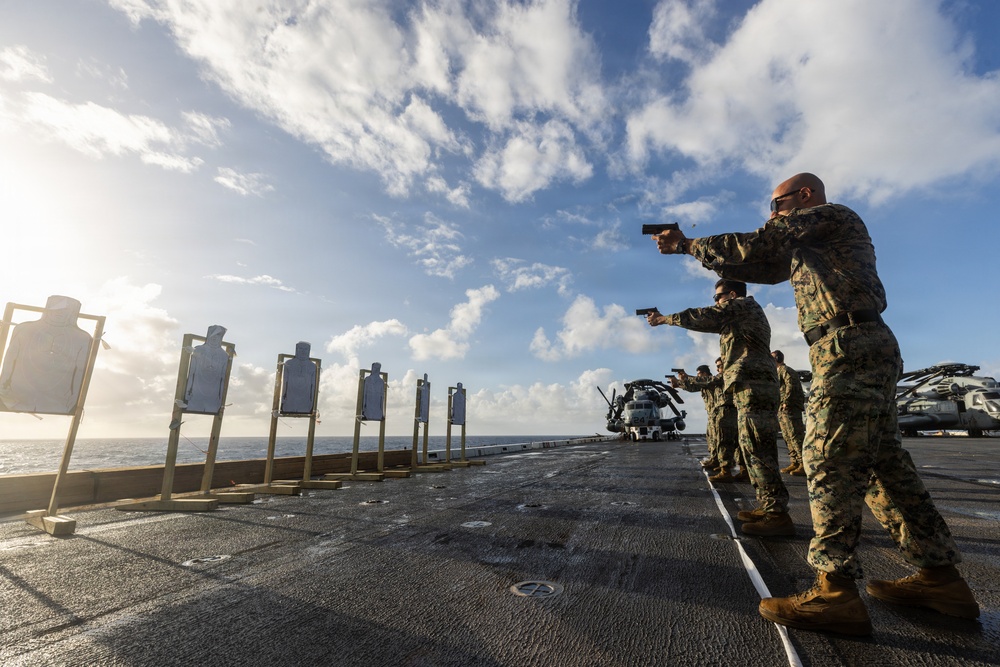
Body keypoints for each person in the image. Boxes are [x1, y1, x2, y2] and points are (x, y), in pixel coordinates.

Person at [653, 173, 978, 635]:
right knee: (884, 466)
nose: (772, 213)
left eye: (777, 203)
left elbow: (760, 244)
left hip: (847, 344)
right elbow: (764, 266)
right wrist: (699, 258)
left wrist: (688, 244)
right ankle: (939, 577)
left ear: (804, 196)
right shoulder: (809, 245)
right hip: (854, 344)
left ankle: (835, 591)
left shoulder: (827, 216)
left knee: (825, 457)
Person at [647, 279, 792, 537]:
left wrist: (664, 319)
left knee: (759, 448)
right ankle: (768, 507)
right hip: (748, 385)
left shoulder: (743, 305)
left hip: (754, 385)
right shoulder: (738, 317)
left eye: (718, 296)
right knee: (751, 448)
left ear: (732, 294)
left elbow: (703, 316)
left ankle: (777, 515)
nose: (715, 301)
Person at [674, 364, 729, 478]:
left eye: (699, 374)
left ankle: (725, 467)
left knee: (721, 439)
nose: (698, 376)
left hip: (720, 413)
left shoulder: (712, 380)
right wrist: (679, 384)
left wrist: (687, 377)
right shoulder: (705, 383)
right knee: (712, 438)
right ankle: (715, 460)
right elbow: (692, 387)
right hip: (713, 414)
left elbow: (699, 382)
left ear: (704, 373)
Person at [772, 350, 806, 476]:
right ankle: (795, 462)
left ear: (776, 359)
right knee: (787, 436)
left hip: (789, 408)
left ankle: (803, 464)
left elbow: (790, 386)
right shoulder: (777, 371)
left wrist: (786, 401)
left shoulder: (785, 370)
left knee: (795, 436)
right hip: (782, 408)